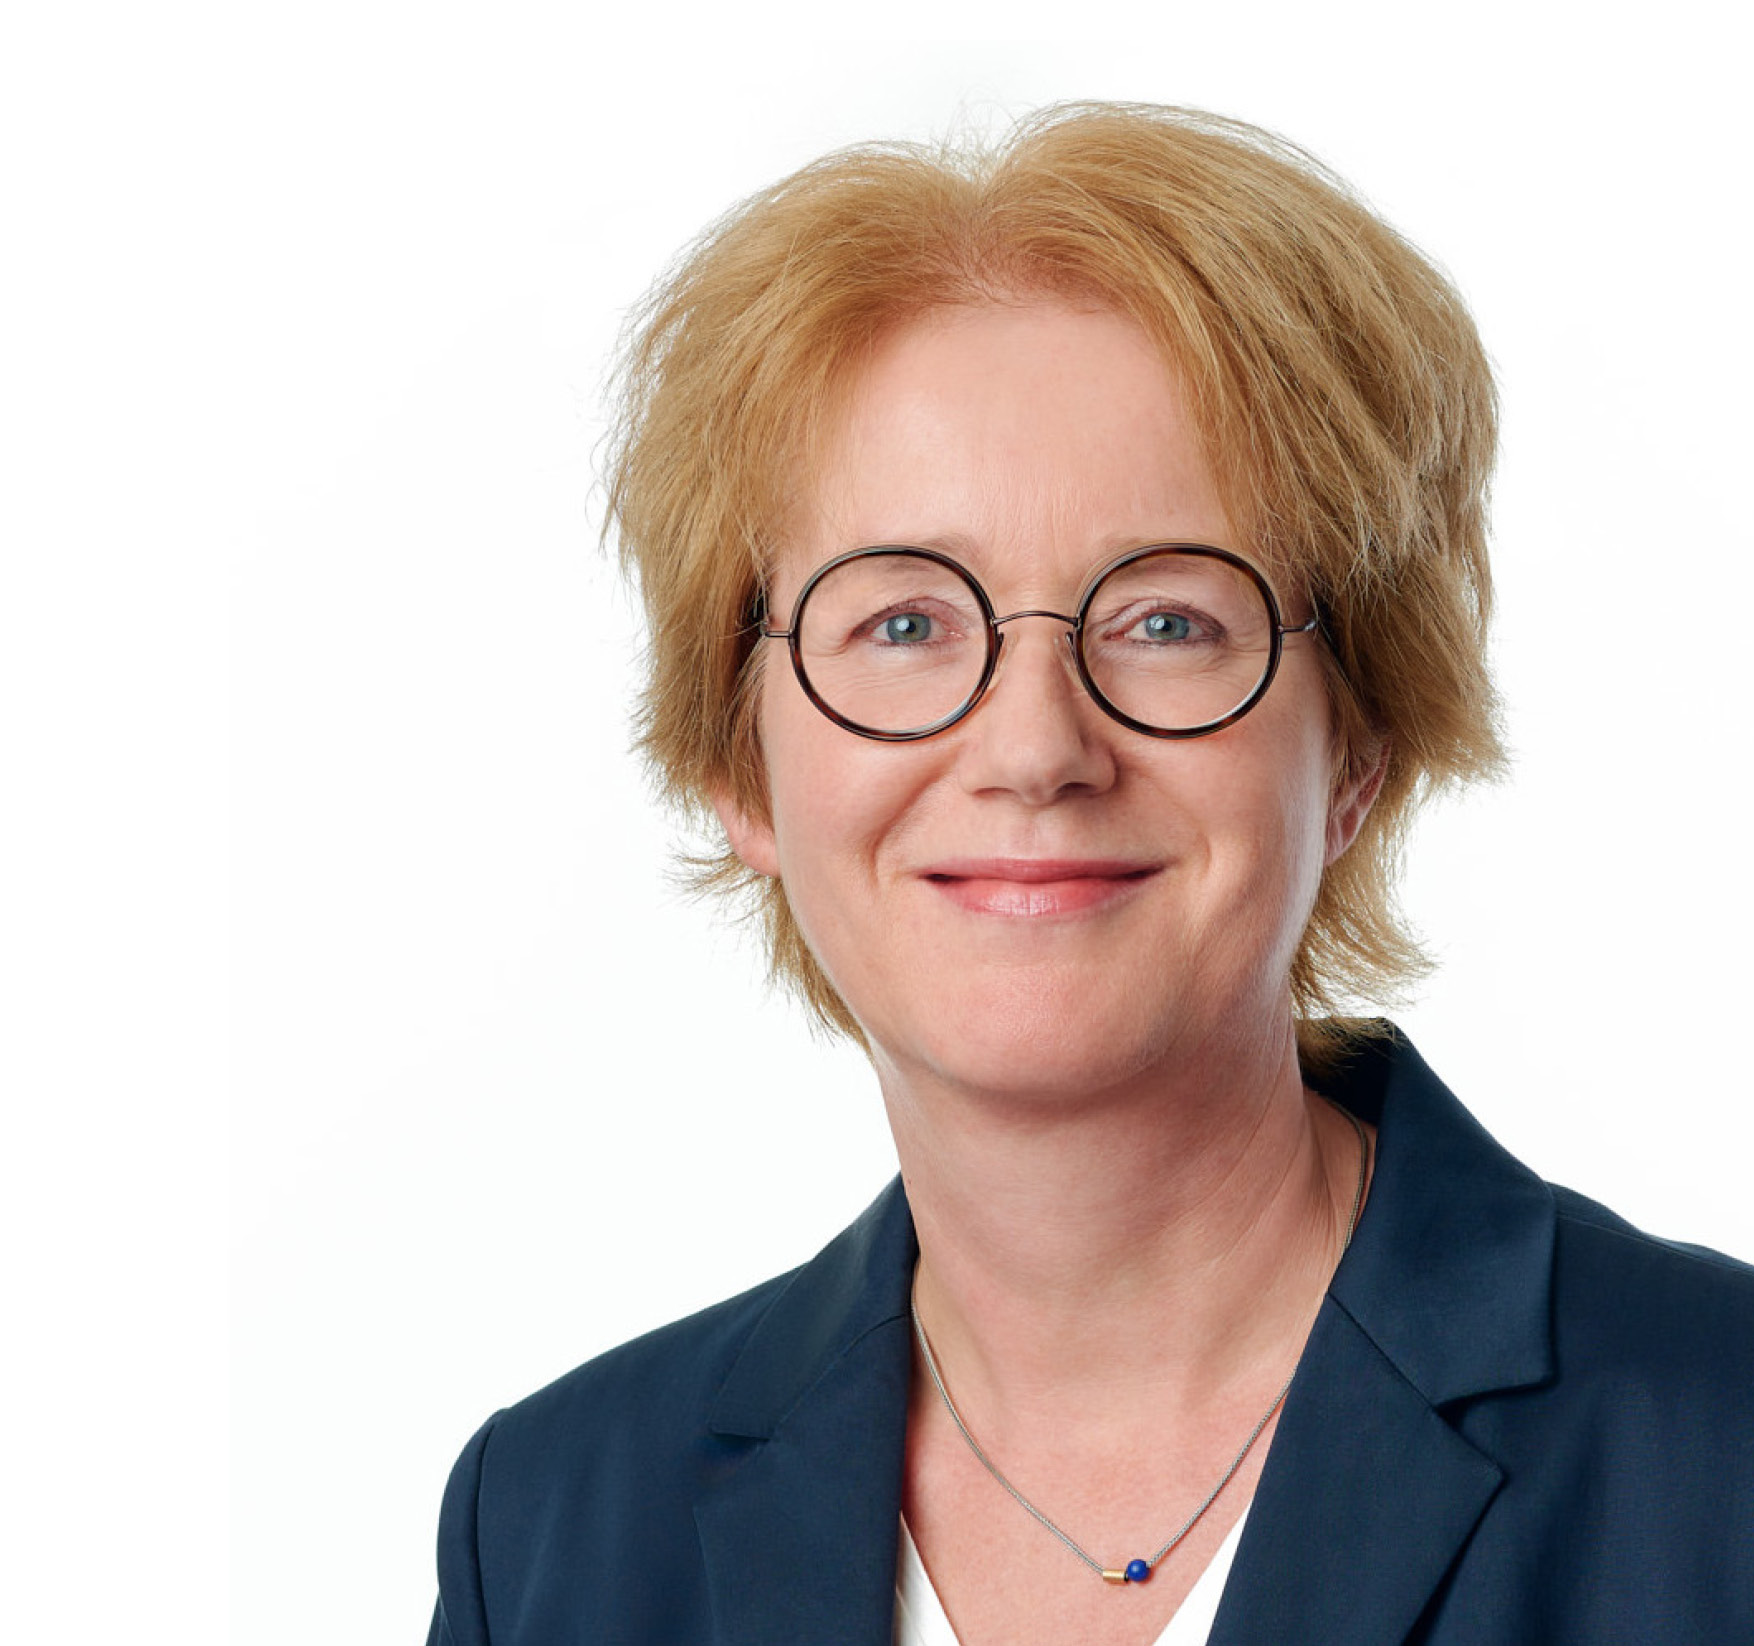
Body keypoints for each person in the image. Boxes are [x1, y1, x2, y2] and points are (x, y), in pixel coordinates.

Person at [425, 103, 1754, 1645]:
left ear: (1360, 742)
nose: (1032, 747)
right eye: (903, 623)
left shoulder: (1719, 1451)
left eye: (1167, 620)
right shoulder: (553, 1524)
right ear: (739, 764)